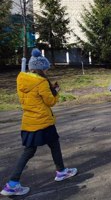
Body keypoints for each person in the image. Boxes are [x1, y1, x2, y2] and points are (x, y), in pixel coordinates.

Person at [0, 49, 77, 196]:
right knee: (53, 144)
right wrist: (56, 91)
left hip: (29, 121)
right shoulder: (41, 82)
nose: (47, 70)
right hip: (43, 121)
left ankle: (13, 183)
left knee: (31, 150)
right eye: (46, 68)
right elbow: (50, 102)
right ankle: (60, 172)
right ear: (41, 69)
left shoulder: (21, 79)